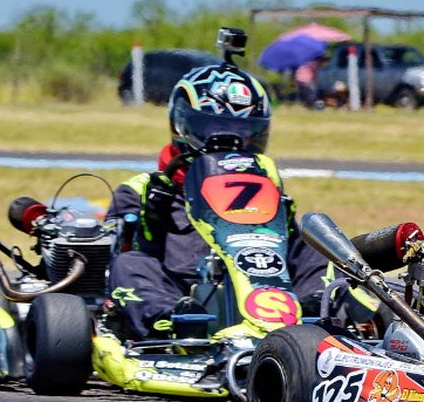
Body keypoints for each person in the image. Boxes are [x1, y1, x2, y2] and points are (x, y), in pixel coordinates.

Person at [106, 60, 331, 338]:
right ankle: (174, 323)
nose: (229, 142)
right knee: (128, 264)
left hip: (270, 290)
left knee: (323, 250)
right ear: (182, 126)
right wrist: (153, 214)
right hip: (181, 294)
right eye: (214, 128)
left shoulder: (269, 191)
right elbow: (119, 257)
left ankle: (318, 314)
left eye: (242, 131)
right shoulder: (140, 190)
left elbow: (295, 253)